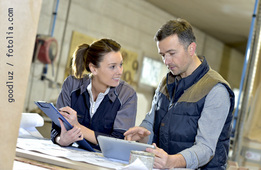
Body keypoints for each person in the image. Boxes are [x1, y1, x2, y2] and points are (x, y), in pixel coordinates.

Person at [124, 18, 235, 169]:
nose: (166, 61)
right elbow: (150, 122)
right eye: (162, 55)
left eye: (171, 53)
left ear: (191, 49)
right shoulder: (165, 83)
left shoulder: (215, 90)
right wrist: (143, 136)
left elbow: (205, 149)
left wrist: (172, 161)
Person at [51, 38, 137, 150]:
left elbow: (119, 142)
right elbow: (56, 129)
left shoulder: (127, 95)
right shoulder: (71, 84)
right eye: (112, 67)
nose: (120, 71)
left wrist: (77, 126)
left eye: (120, 65)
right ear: (93, 69)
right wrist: (61, 140)